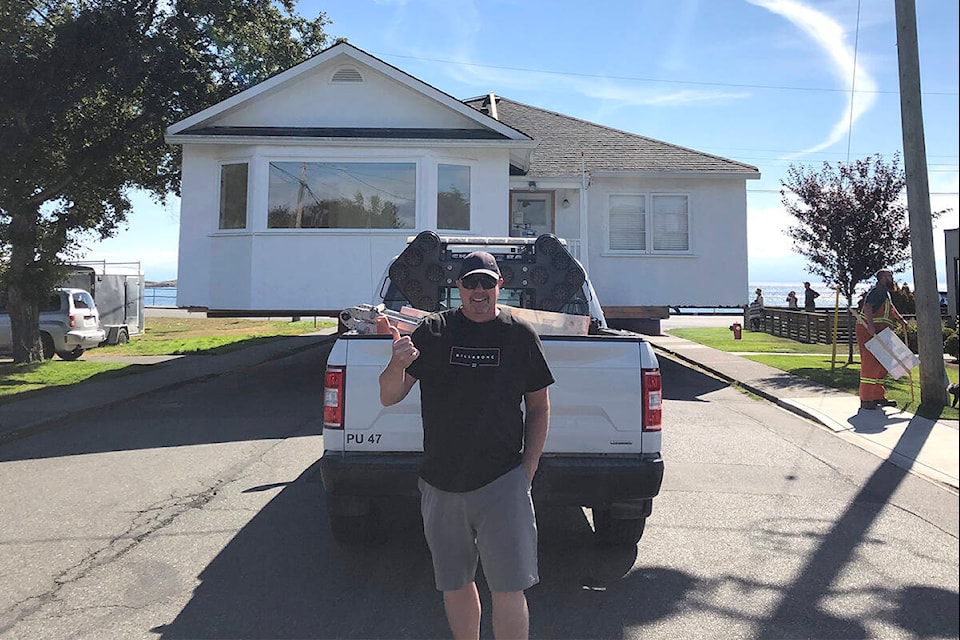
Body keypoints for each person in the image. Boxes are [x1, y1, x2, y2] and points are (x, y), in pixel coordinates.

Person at [378, 250, 554, 640]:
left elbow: (539, 407)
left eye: (486, 282)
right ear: (457, 287)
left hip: (503, 482)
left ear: (499, 286)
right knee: (455, 584)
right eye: (470, 282)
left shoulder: (519, 334)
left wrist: (527, 469)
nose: (479, 290)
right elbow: (389, 396)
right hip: (440, 484)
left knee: (509, 587)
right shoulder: (433, 331)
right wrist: (396, 363)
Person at [855, 268, 908, 410]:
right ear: (882, 277)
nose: (891, 277)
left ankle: (878, 396)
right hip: (869, 331)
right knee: (870, 364)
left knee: (883, 365)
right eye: (889, 275)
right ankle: (866, 399)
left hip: (881, 332)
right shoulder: (877, 290)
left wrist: (901, 320)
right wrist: (871, 326)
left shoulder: (885, 292)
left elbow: (890, 308)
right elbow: (867, 307)